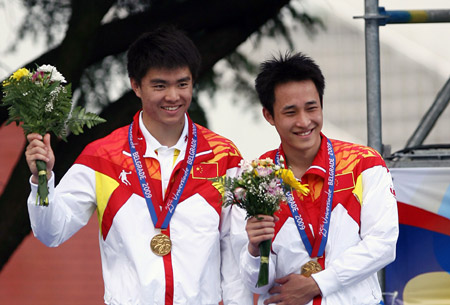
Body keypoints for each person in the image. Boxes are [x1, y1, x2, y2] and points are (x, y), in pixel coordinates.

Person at [25, 26, 253, 305]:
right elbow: (52, 232)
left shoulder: (223, 156)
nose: (173, 96)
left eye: (182, 84)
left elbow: (234, 250)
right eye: (160, 85)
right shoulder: (103, 157)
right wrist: (42, 181)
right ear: (135, 85)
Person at [236, 52, 399, 305]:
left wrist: (317, 284)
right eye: (290, 112)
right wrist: (255, 252)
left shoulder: (363, 163)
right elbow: (257, 283)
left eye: (311, 108)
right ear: (269, 116)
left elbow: (382, 246)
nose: (304, 121)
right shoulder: (255, 178)